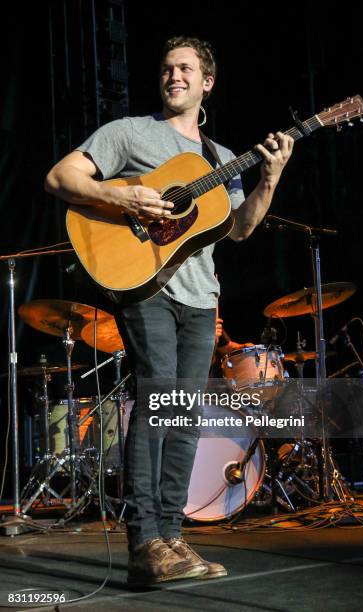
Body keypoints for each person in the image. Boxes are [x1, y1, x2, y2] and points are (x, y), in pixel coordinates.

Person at [45, 35, 294, 585]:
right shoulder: (130, 133)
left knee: (183, 418)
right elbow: (61, 177)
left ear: (207, 82)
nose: (172, 76)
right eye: (165, 68)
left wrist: (270, 175)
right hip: (144, 286)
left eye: (185, 68)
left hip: (201, 298)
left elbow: (242, 227)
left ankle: (172, 540)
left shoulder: (222, 160)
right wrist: (126, 197)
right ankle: (143, 542)